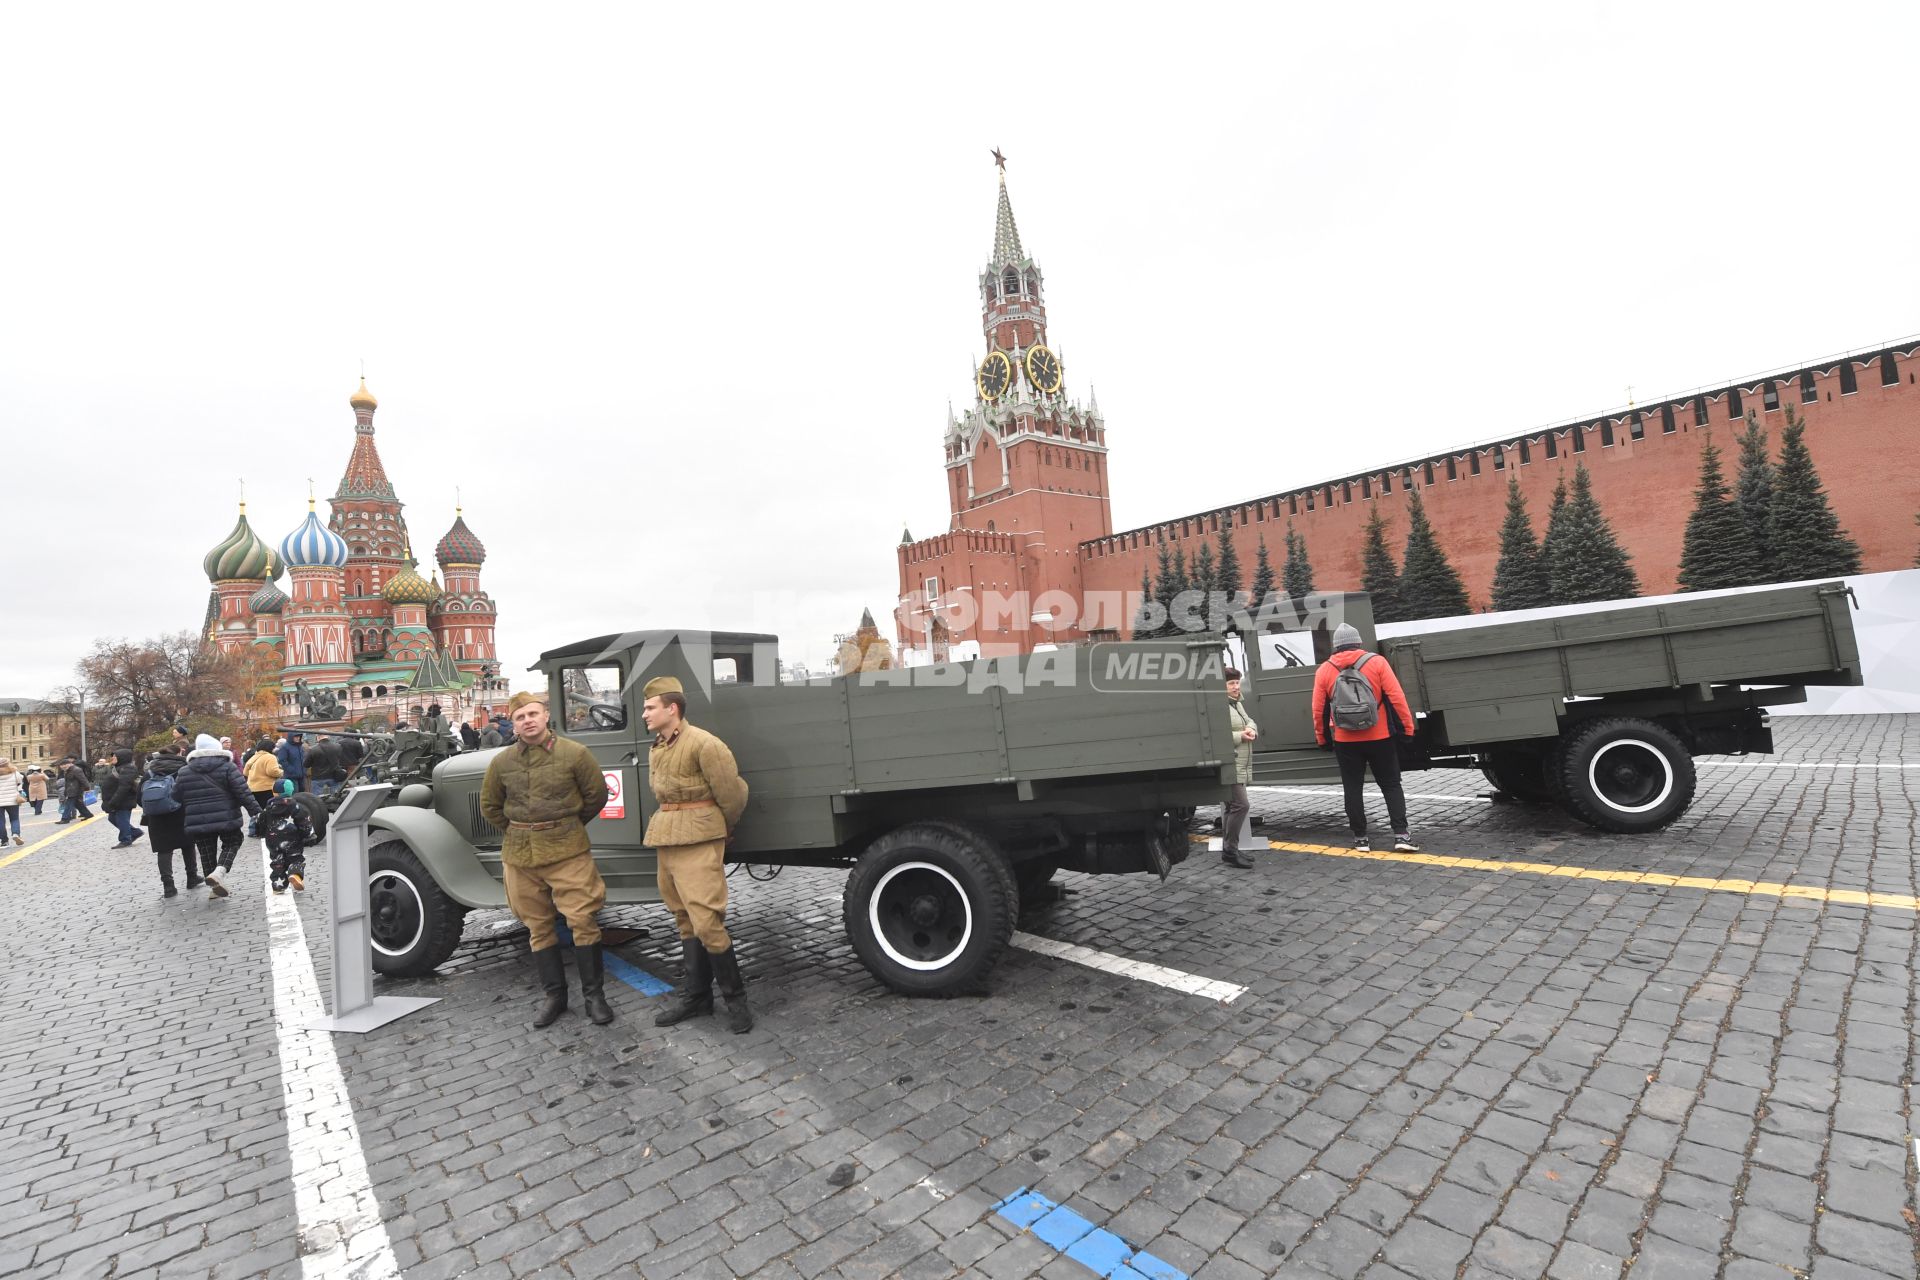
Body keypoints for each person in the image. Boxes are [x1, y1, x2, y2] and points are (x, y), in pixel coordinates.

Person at [478, 690, 613, 1027]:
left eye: (533, 714)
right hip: (521, 854)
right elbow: (491, 806)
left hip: (567, 850)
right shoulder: (502, 762)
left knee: (582, 920)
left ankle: (595, 996)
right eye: (521, 716)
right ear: (515, 724)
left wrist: (566, 826)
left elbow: (596, 795)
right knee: (537, 927)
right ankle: (555, 996)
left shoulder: (575, 754)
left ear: (545, 716)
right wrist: (520, 830)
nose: (528, 720)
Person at [642, 675, 754, 1034]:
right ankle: (697, 998)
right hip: (667, 837)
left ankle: (736, 1001)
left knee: (707, 921)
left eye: (650, 708)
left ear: (671, 709)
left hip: (699, 838)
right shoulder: (658, 746)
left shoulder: (704, 744)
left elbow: (733, 794)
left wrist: (721, 829)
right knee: (684, 919)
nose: (644, 714)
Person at [1312, 622, 1419, 853]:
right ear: (1358, 642)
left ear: (1336, 646)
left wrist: (1323, 739)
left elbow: (1318, 709)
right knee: (1391, 785)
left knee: (1353, 788)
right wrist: (1407, 730)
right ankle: (1401, 835)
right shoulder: (1377, 662)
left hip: (1345, 740)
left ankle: (1361, 838)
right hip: (1380, 736)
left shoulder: (1325, 669)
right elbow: (1397, 698)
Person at [177, 733, 261, 898]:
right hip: (227, 816)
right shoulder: (227, 767)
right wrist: (256, 812)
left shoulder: (184, 771)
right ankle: (220, 871)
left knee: (206, 851)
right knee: (233, 842)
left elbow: (176, 796)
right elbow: (243, 792)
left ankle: (214, 889)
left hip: (197, 819)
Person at [141, 744, 195, 895]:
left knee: (164, 850)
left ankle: (168, 886)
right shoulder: (184, 768)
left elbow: (141, 797)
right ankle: (192, 877)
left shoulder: (150, 771)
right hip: (181, 812)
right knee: (188, 845)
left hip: (157, 817)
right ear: (178, 753)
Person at [1220, 667, 1258, 869]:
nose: (1236, 687)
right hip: (1230, 763)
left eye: (1237, 682)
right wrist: (1239, 736)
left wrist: (1251, 729)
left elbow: (1249, 720)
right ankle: (1230, 851)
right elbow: (1217, 736)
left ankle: (1230, 850)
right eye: (1231, 684)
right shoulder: (1220, 706)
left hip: (1238, 762)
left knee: (1230, 807)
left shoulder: (1236, 703)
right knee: (1241, 805)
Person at [258, 779, 316, 893]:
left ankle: (278, 886)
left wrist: (262, 833)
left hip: (273, 841)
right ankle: (294, 874)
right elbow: (304, 821)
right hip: (292, 839)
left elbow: (260, 822)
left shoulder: (268, 808)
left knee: (277, 862)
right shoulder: (296, 806)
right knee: (296, 858)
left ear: (274, 792)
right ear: (291, 791)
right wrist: (309, 835)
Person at [101, 748, 145, 847]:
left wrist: (114, 801)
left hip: (124, 800)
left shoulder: (128, 768)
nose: (113, 758)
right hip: (116, 799)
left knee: (122, 819)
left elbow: (124, 787)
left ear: (122, 757)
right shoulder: (118, 767)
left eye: (115, 756)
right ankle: (135, 832)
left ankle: (125, 839)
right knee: (112, 818)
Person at [243, 737, 283, 835]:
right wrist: (281, 771)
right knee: (268, 810)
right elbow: (272, 771)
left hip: (252, 788)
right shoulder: (270, 757)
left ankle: (253, 830)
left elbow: (245, 772)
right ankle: (266, 830)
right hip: (266, 788)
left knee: (257, 811)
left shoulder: (254, 757)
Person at [0, 759, 25, 846]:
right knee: (14, 818)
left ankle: (4, 841)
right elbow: (20, 781)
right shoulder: (14, 773)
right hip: (13, 800)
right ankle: (15, 834)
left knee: (0, 821)